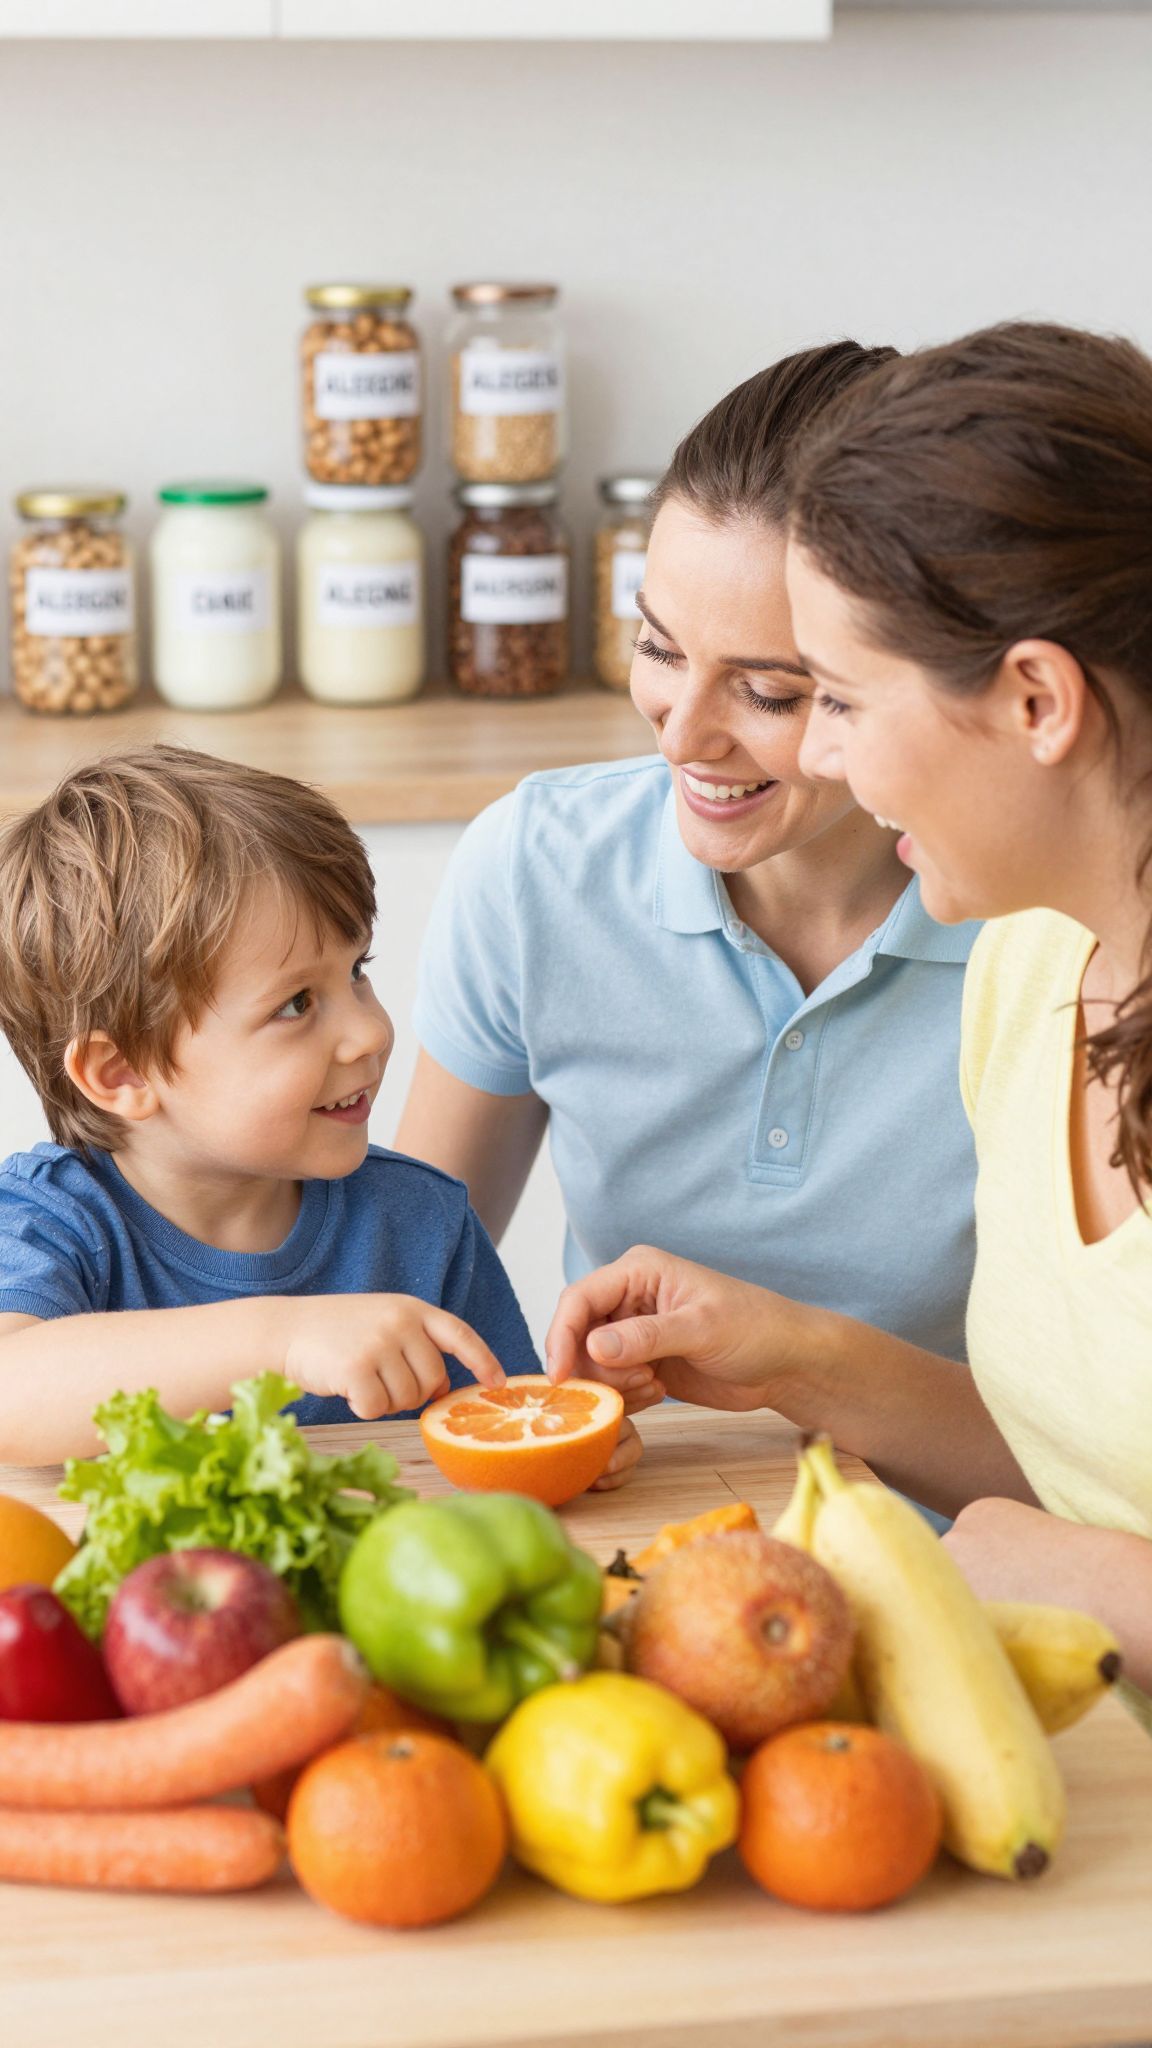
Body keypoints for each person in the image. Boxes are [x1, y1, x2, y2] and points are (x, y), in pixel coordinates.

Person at [546, 321, 1152, 1721]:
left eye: (837, 698)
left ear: (1036, 699)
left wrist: (1069, 1579)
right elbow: (1094, 1458)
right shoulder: (1030, 967)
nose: (812, 752)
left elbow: (1069, 1537)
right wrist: (800, 1359)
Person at [399, 343, 981, 1367]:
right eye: (661, 647)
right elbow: (404, 1295)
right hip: (624, 1512)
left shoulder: (1040, 926)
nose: (680, 737)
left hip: (954, 1528)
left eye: (768, 692)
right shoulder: (538, 869)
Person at [0, 745, 571, 1470]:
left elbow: (511, 1428)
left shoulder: (422, 1223)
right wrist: (283, 1341)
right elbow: (9, 1391)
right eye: (296, 1004)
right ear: (122, 1072)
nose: (370, 1031)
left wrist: (574, 1445)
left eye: (358, 971)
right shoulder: (49, 1223)